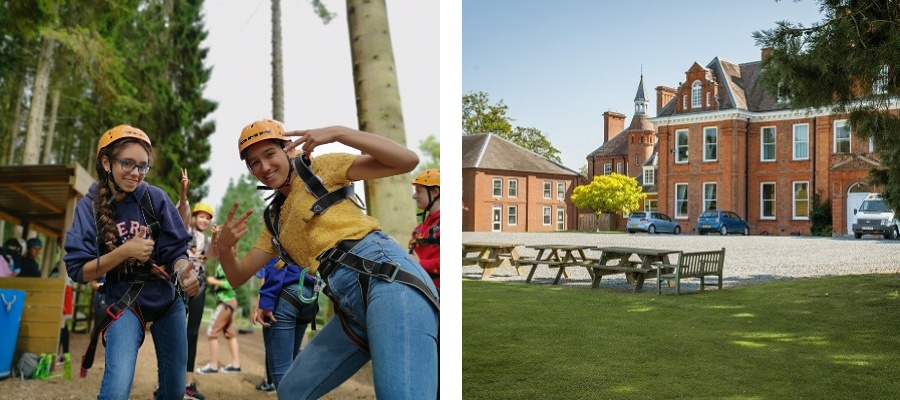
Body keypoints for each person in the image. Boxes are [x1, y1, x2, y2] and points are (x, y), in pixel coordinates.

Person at [216, 119, 439, 399]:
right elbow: (237, 276)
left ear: (290, 150)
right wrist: (225, 249)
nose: (263, 167)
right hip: (348, 307)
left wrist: (338, 133)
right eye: (254, 163)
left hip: (388, 279)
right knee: (291, 391)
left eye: (269, 154)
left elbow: (406, 161)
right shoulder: (275, 221)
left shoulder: (321, 168)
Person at [62, 124, 199, 400]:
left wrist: (184, 272)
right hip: (123, 301)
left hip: (166, 300)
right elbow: (78, 270)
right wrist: (124, 252)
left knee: (174, 392)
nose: (136, 173)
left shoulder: (155, 198)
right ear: (106, 162)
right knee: (116, 390)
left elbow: (176, 253)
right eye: (127, 163)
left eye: (142, 166)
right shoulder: (89, 207)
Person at [253, 256, 318, 389]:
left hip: (287, 294)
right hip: (309, 294)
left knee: (282, 377)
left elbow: (278, 256)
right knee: (290, 370)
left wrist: (266, 299)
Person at [182, 203, 218, 400]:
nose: (204, 220)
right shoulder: (185, 231)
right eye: (201, 217)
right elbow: (182, 214)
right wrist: (184, 195)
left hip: (199, 285)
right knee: (174, 330)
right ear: (195, 217)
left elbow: (213, 254)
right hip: (181, 283)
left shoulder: (207, 239)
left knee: (193, 332)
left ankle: (188, 382)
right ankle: (165, 382)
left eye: (207, 218)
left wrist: (215, 239)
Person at [196, 250, 241, 375]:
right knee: (230, 333)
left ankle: (213, 365)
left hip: (226, 302)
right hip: (228, 301)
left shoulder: (230, 264)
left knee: (212, 332)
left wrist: (215, 281)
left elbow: (232, 283)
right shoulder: (224, 263)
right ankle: (236, 365)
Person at [409, 169, 441, 289]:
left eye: (419, 191)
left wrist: (419, 264)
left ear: (435, 192)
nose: (414, 196)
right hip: (421, 290)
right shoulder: (421, 227)